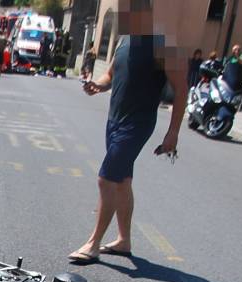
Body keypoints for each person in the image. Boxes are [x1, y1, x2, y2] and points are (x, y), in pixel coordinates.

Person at [68, 0, 187, 263]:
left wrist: (173, 133)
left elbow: (181, 89)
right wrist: (96, 86)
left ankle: (93, 244)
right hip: (115, 121)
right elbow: (110, 75)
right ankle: (124, 241)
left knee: (106, 179)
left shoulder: (163, 44)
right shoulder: (124, 41)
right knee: (122, 182)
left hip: (138, 123)